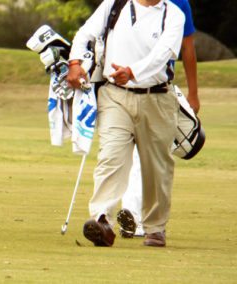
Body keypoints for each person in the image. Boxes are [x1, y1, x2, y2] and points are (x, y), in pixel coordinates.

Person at [67, 0, 185, 247]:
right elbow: (85, 33)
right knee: (111, 155)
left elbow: (163, 54)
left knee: (157, 166)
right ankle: (102, 220)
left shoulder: (173, 14)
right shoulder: (114, 4)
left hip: (158, 97)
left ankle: (155, 227)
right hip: (114, 95)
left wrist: (133, 71)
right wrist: (75, 63)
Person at [117, 0, 199, 238]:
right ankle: (131, 216)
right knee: (125, 153)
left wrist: (193, 94)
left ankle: (135, 216)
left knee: (147, 156)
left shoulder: (179, 4)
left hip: (159, 89)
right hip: (122, 86)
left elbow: (187, 48)